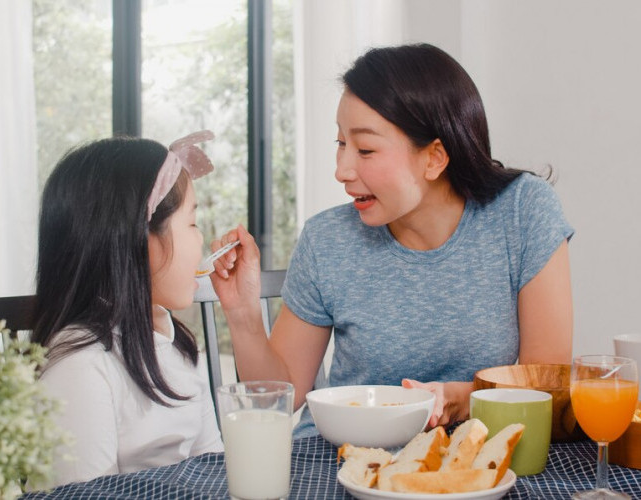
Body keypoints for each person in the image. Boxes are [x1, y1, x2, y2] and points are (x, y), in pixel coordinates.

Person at [209, 43, 573, 438]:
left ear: (434, 157)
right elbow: (285, 396)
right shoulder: (326, 239)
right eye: (341, 144)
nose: (342, 170)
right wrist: (242, 314)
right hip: (334, 456)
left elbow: (546, 384)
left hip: (477, 456)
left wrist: (466, 398)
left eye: (365, 149)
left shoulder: (523, 211)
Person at [30, 131, 223, 487]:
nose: (201, 239)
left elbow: (211, 467)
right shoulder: (81, 365)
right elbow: (79, 496)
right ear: (137, 238)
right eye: (192, 223)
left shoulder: (176, 341)